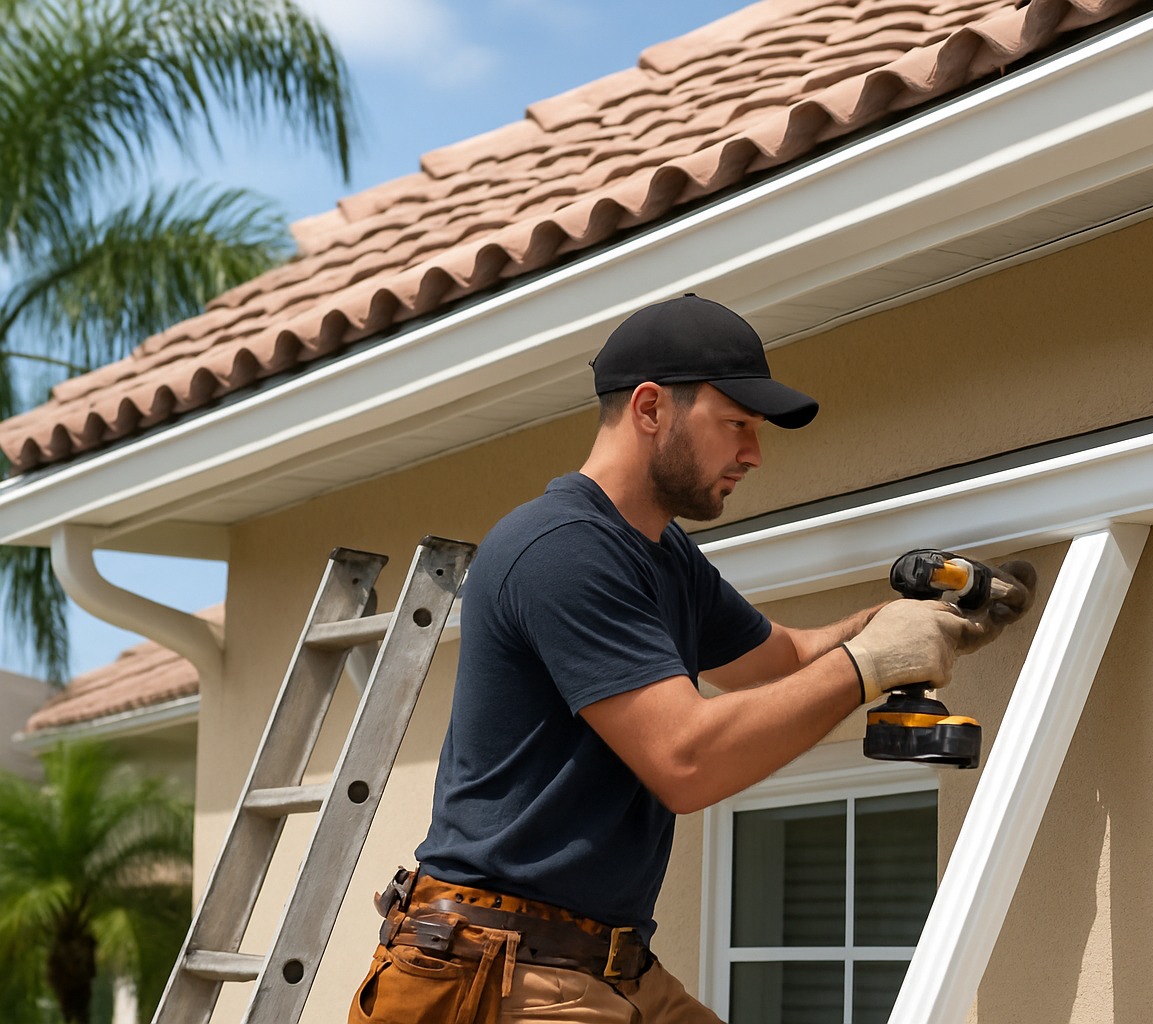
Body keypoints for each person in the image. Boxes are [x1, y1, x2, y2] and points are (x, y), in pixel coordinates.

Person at [349, 295, 1035, 1024]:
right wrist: (870, 664)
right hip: (498, 969)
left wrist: (911, 623)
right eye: (736, 424)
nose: (754, 453)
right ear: (650, 408)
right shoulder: (559, 550)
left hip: (604, 962)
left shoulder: (664, 555)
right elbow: (686, 761)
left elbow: (786, 659)